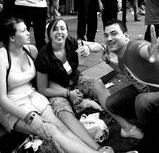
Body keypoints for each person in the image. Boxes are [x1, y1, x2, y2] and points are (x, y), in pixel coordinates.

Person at [0, 17, 114, 153]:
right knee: (51, 129)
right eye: (24, 30)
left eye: (63, 28)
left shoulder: (31, 50)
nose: (29, 32)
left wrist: (90, 47)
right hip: (15, 104)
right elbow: (3, 99)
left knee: (61, 127)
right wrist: (29, 116)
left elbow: (95, 46)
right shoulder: (3, 58)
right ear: (12, 38)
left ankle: (98, 149)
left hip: (35, 97)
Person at [35, 18, 143, 142]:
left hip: (76, 80)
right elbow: (43, 89)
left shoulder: (71, 42)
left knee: (97, 84)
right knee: (64, 113)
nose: (59, 32)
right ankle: (91, 146)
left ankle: (126, 128)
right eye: (55, 29)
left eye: (62, 28)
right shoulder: (43, 56)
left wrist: (89, 48)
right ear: (49, 33)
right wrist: (68, 94)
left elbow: (100, 47)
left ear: (67, 31)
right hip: (58, 90)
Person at [102, 19, 159, 146]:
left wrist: (151, 50)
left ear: (126, 36)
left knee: (142, 101)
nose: (109, 38)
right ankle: (151, 119)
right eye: (106, 35)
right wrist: (109, 61)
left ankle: (156, 141)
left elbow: (145, 51)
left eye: (114, 33)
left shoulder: (134, 47)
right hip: (153, 94)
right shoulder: (122, 57)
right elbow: (122, 69)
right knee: (111, 103)